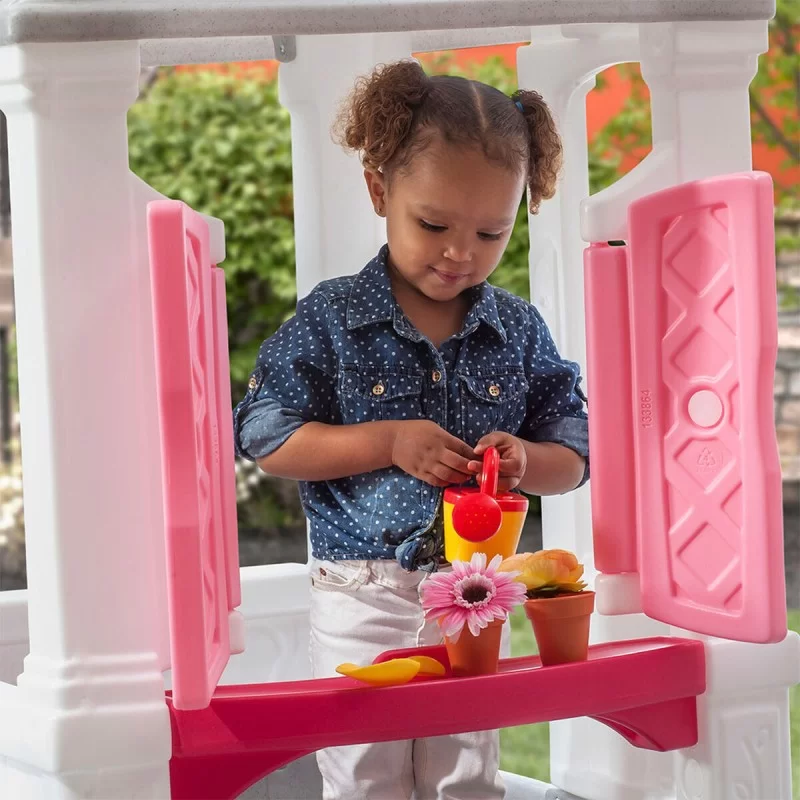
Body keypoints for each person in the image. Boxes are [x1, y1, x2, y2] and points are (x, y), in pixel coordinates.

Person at [234, 59, 589, 800]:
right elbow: (267, 436)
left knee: (466, 776)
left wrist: (527, 459)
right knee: (366, 775)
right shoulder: (333, 318)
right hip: (361, 593)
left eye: (491, 232)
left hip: (476, 593)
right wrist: (388, 440)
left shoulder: (518, 329)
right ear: (379, 191)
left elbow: (576, 453)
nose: (461, 252)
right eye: (433, 225)